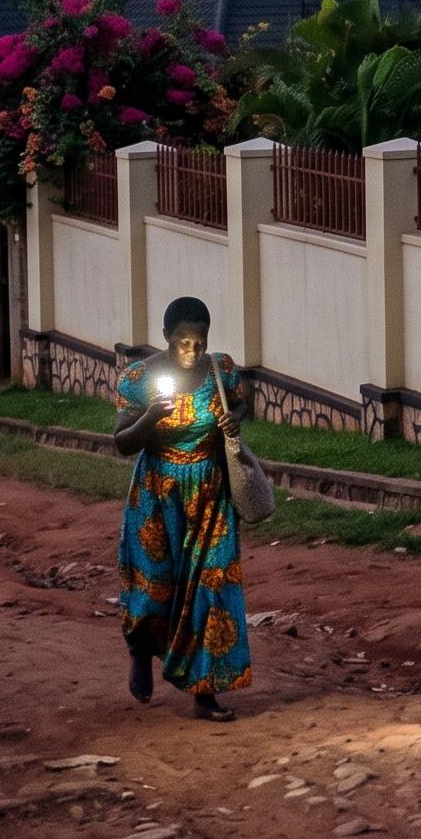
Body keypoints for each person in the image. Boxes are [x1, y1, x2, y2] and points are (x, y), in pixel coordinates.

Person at [112, 296, 252, 720]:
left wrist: (235, 418)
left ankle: (204, 691)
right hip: (158, 495)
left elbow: (242, 401)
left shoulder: (221, 369)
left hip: (210, 493)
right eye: (183, 342)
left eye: (200, 341)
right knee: (156, 584)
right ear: (166, 338)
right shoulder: (139, 378)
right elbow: (122, 442)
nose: (192, 351)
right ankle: (141, 650)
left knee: (212, 587)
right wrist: (151, 416)